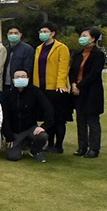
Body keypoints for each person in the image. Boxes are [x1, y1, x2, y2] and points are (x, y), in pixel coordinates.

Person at [32, 22, 71, 154]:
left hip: (56, 89)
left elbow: (63, 68)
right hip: (41, 87)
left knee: (58, 118)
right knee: (48, 117)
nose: (42, 34)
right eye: (41, 31)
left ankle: (58, 146)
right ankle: (49, 143)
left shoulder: (61, 48)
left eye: (45, 31)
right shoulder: (39, 48)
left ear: (52, 33)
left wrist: (60, 84)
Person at [2, 69, 53, 163]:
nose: (20, 79)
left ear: (28, 79)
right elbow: (4, 117)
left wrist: (44, 126)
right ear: (13, 80)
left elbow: (48, 108)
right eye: (17, 77)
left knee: (42, 136)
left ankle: (35, 151)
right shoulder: (7, 94)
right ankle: (23, 144)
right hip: (15, 131)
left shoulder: (35, 91)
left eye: (23, 77)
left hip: (31, 128)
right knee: (13, 157)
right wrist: (8, 136)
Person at [69, 28, 105, 158]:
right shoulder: (77, 53)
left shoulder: (98, 55)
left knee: (92, 120)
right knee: (81, 120)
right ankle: (82, 147)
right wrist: (73, 84)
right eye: (81, 35)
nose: (82, 38)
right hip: (77, 91)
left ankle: (94, 148)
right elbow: (72, 71)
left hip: (92, 91)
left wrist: (80, 86)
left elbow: (94, 74)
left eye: (85, 36)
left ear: (93, 38)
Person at [3, 25, 34, 92]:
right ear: (7, 35)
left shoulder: (27, 49)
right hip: (6, 85)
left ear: (20, 35)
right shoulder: (5, 49)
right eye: (10, 33)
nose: (13, 35)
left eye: (16, 33)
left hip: (20, 84)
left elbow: (28, 68)